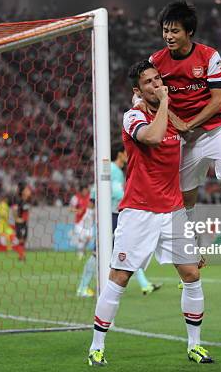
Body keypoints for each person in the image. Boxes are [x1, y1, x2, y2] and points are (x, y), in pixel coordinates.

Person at [87, 61, 213, 366]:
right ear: (137, 90)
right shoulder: (134, 116)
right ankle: (97, 346)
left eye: (158, 79)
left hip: (173, 210)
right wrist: (166, 102)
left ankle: (194, 345)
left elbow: (195, 143)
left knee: (192, 274)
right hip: (139, 211)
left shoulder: (174, 118)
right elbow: (153, 137)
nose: (156, 84)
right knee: (119, 278)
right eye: (149, 82)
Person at [149, 0, 221, 287]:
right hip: (186, 137)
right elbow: (155, 100)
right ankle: (193, 251)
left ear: (189, 32)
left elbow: (218, 101)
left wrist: (190, 124)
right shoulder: (156, 62)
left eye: (174, 31)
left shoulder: (210, 57)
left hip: (218, 130)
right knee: (186, 201)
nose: (168, 36)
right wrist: (178, 122)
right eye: (165, 30)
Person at [111, 145, 162, 295]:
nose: (129, 154)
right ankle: (83, 286)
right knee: (99, 253)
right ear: (120, 154)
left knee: (131, 249)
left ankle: (145, 284)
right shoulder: (113, 170)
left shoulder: (119, 171)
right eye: (126, 151)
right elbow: (115, 192)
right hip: (111, 216)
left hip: (117, 214)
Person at [70, 185, 92, 260]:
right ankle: (80, 255)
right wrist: (78, 211)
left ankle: (82, 250)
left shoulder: (90, 197)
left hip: (88, 222)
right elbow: (70, 209)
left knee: (88, 238)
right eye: (84, 190)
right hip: (79, 222)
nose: (85, 192)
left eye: (86, 190)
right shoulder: (75, 198)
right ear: (81, 191)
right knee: (81, 238)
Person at [12, 183, 32, 262]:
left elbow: (27, 210)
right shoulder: (17, 199)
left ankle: (21, 256)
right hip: (20, 223)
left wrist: (26, 218)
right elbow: (14, 210)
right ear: (22, 191)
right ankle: (22, 256)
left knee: (23, 240)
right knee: (21, 240)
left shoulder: (28, 200)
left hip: (25, 223)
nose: (29, 191)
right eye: (27, 189)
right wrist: (17, 219)